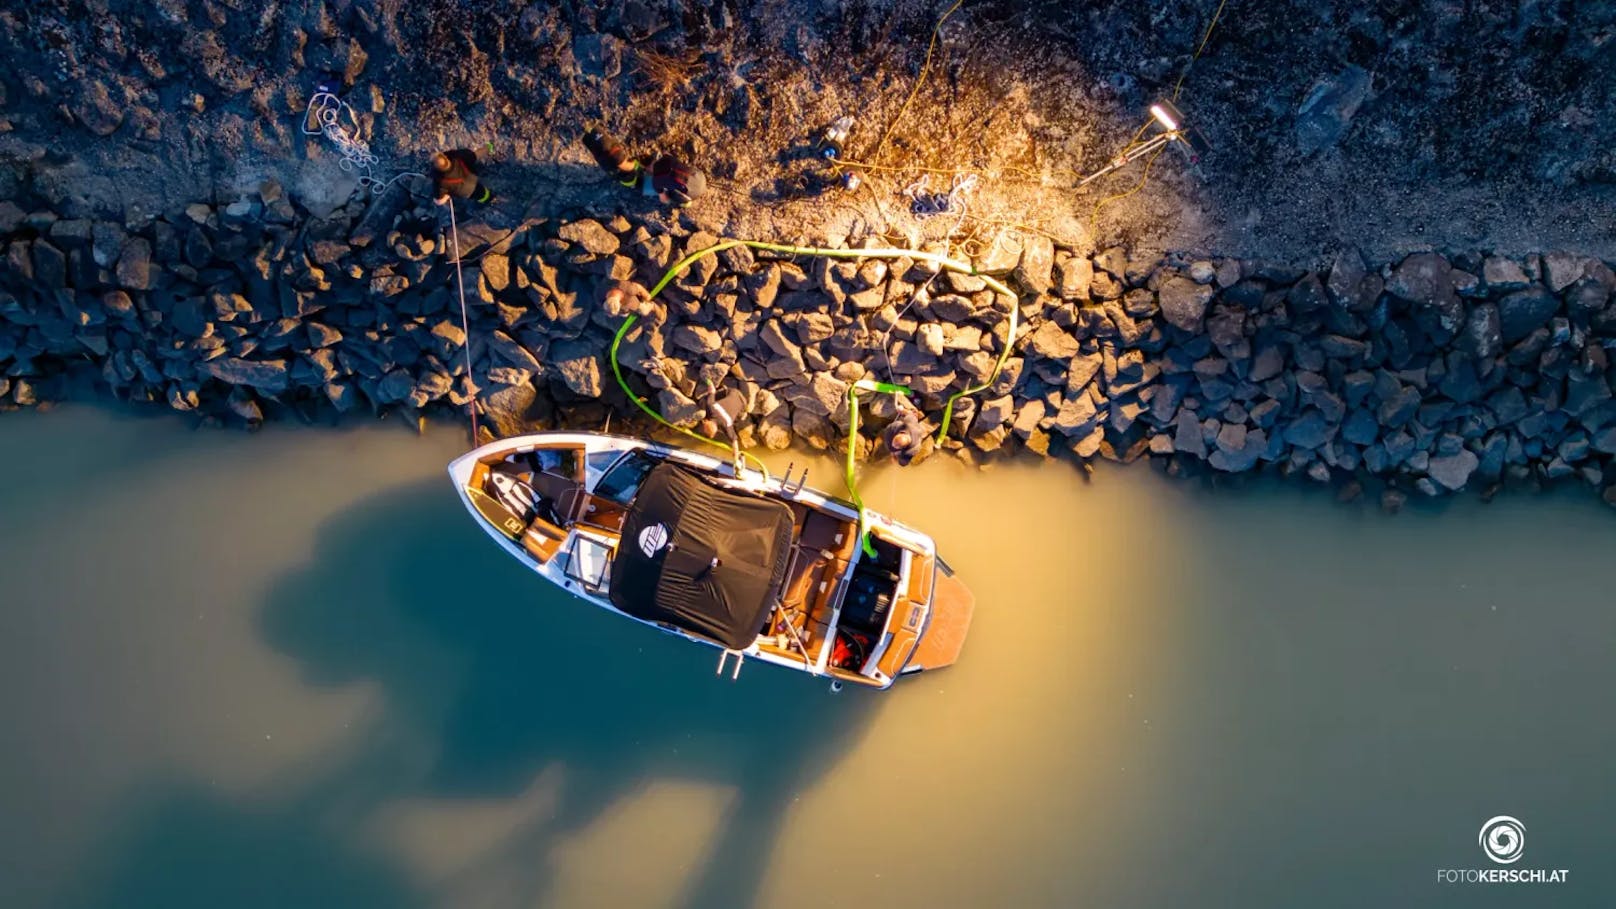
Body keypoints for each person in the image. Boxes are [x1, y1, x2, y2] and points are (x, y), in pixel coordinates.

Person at [582, 127, 707, 206]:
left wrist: (662, 195)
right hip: (698, 179)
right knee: (634, 177)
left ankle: (682, 202)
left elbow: (660, 189)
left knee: (643, 186)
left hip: (689, 191)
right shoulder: (668, 163)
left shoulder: (661, 176)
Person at [882, 396, 928, 466]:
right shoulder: (910, 424)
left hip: (916, 437)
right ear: (901, 433)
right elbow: (909, 414)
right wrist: (902, 411)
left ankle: (903, 462)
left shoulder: (911, 450)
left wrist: (894, 454)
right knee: (913, 412)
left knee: (903, 462)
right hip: (915, 430)